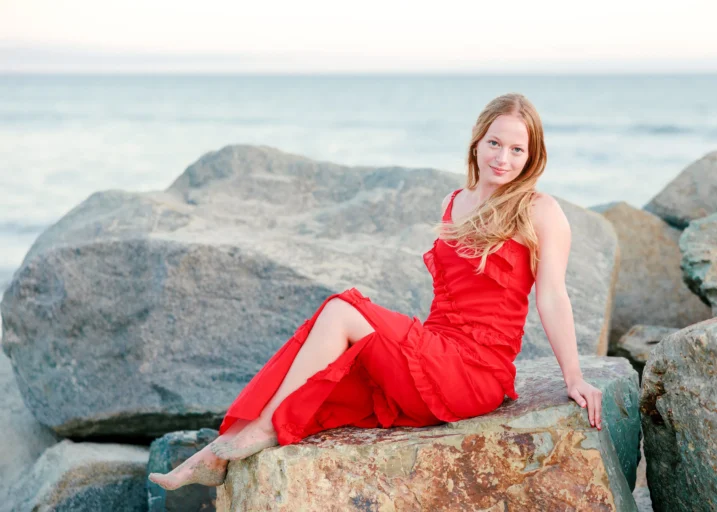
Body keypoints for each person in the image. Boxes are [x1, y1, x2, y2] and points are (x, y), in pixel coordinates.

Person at [148, 92, 604, 491]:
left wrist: (574, 377)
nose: (503, 158)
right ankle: (220, 449)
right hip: (437, 352)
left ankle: (262, 429)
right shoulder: (454, 201)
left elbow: (552, 297)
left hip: (475, 372)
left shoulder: (540, 211)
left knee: (343, 309)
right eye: (495, 143)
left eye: (517, 149)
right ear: (477, 142)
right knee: (332, 373)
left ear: (532, 155)